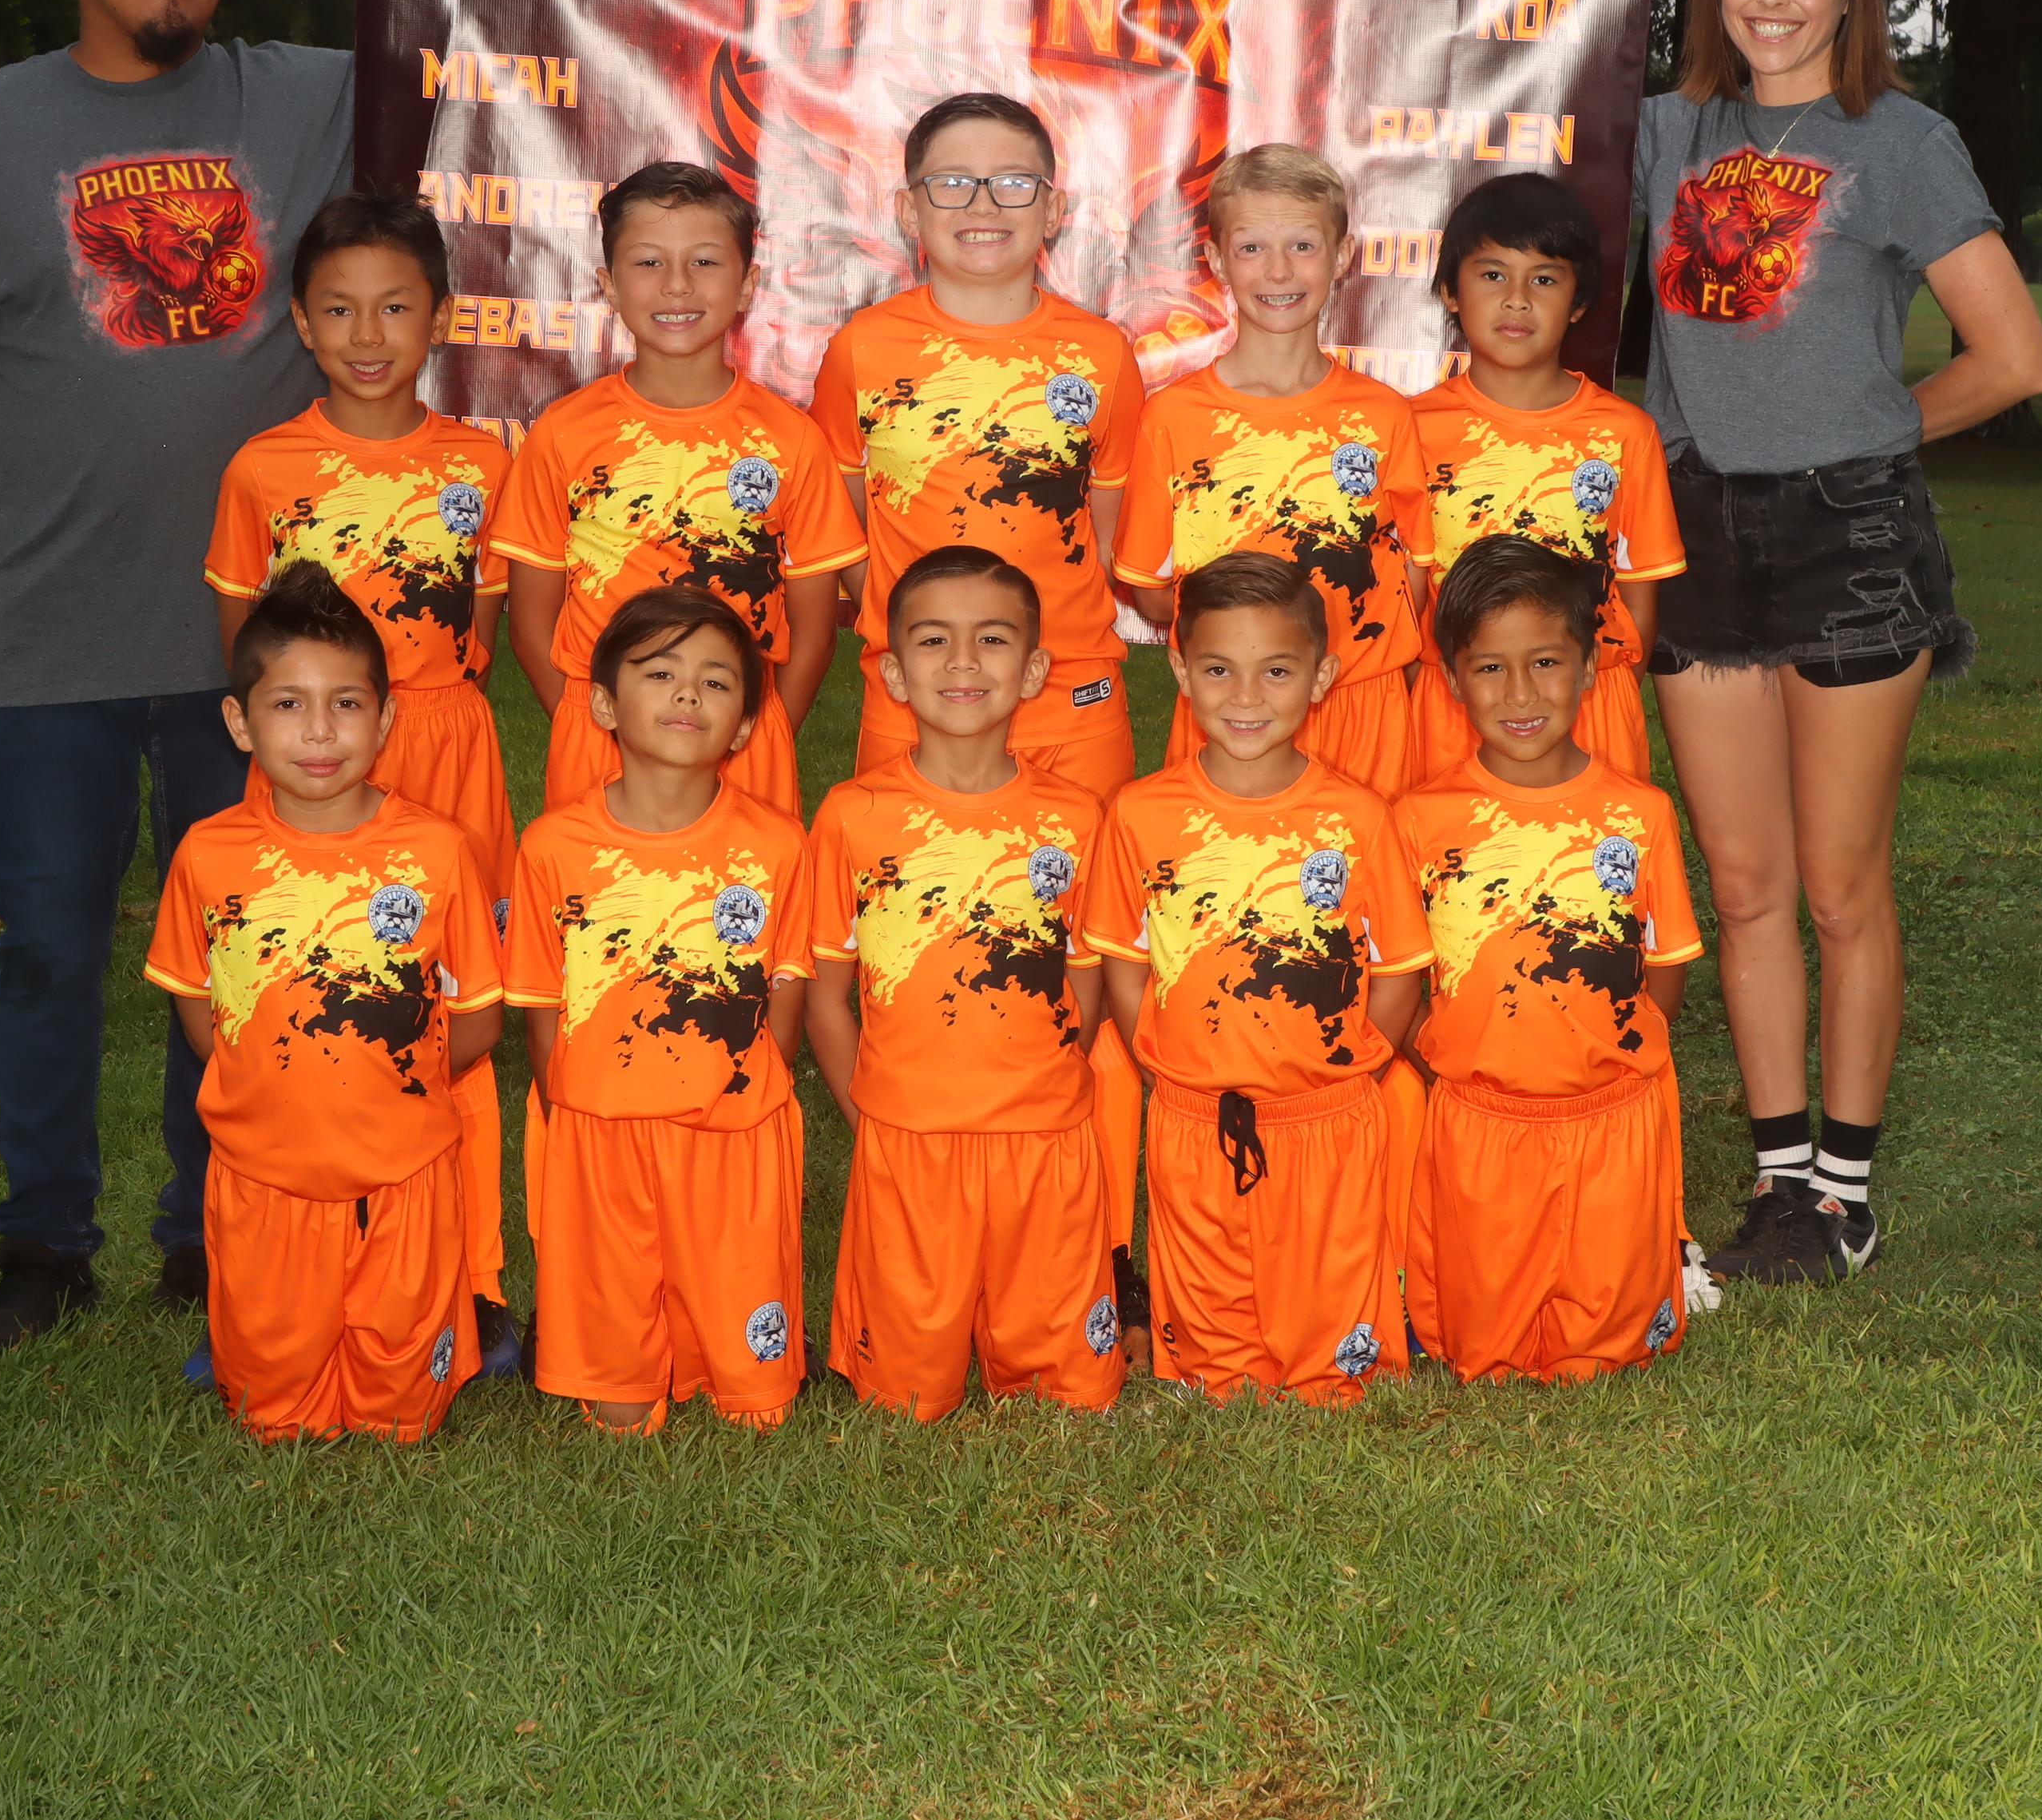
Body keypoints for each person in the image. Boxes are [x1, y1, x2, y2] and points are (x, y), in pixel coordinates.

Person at [0, 0, 450, 1356]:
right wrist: (67, 424)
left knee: (257, 948)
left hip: (259, 648)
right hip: (49, 628)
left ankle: (216, 1231)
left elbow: (457, 34)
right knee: (50, 950)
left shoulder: (302, 98)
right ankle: (43, 1248)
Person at [1588, 0, 2042, 1287]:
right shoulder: (1665, 130)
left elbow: (2015, 360)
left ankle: (1845, 1197)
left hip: (1849, 536)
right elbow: (1531, 88)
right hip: (1695, 532)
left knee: (1842, 886)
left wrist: (1865, 434)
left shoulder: (1901, 141)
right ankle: (1779, 1182)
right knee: (1743, 885)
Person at [200, 186, 521, 1359]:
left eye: (396, 306)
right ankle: (279, 1268)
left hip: (444, 746)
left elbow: (481, 628)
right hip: (314, 761)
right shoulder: (263, 469)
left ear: (440, 317)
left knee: (446, 1002)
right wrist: (308, 733)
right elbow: (246, 650)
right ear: (301, 320)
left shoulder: (480, 463)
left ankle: (464, 1275)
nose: (368, 334)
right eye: (339, 309)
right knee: (308, 989)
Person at [141, 564, 506, 1443]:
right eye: (287, 703)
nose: (318, 729)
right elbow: (202, 1011)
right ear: (239, 722)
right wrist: (272, 1085)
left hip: (404, 1177)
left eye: (346, 703)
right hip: (265, 1179)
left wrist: (390, 1085)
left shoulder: (438, 851)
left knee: (400, 1416)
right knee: (275, 1416)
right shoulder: (206, 856)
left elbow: (481, 1018)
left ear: (384, 720)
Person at [1082, 551, 1432, 1406]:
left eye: (1276, 671)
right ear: (1180, 671)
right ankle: (1215, 1361)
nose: (1246, 696)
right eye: (1218, 670)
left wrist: (1356, 1068)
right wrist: (1160, 1063)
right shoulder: (1139, 814)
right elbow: (1124, 961)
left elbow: (1398, 969)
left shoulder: (1358, 818)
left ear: (1322, 677)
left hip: (1327, 1117)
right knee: (1214, 1363)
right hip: (1194, 1114)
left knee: (1332, 1358)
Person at [796, 545, 1123, 1418]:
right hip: (910, 1141)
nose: (964, 662)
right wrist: (872, 1114)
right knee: (903, 1399)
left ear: (1035, 670)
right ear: (895, 673)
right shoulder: (854, 816)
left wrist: (1049, 1080)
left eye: (993, 639)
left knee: (1069, 1400)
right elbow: (825, 995)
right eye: (935, 640)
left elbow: (1086, 978)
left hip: (1045, 1142)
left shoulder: (1077, 818)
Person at [1392, 538, 1711, 1383]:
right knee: (1484, 1349)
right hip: (1481, 1121)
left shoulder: (1639, 813)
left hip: (1611, 1121)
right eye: (1490, 668)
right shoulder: (1419, 819)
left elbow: (1665, 965)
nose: (1520, 693)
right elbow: (1399, 973)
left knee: (1606, 1347)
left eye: (1545, 661)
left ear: (1590, 667)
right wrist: (1447, 1050)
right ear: (1452, 680)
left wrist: (1607, 1057)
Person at [504, 585, 814, 1433]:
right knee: (619, 1409)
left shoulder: (777, 844)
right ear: (604, 703)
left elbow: (785, 992)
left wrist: (744, 1094)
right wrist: (577, 1108)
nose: (688, 694)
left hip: (733, 1137)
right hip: (601, 1136)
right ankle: (614, 1357)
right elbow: (541, 1003)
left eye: (716, 681)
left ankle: (736, 1351)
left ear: (744, 726)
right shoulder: (553, 845)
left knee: (756, 1405)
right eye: (660, 672)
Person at [490, 162, 861, 819]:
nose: (678, 284)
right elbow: (530, 624)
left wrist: (758, 729)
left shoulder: (791, 440)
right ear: (608, 284)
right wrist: (592, 720)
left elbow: (812, 633)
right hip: (600, 733)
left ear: (747, 285)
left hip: (741, 735)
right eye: (649, 263)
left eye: (705, 262)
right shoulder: (563, 434)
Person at [809, 91, 1146, 799]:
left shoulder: (1102, 355)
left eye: (1014, 182)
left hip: (1071, 698)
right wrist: (902, 617)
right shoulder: (861, 350)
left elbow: (1106, 533)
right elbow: (839, 522)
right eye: (953, 183)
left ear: (1053, 211)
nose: (983, 204)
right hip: (917, 699)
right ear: (909, 211)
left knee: (1084, 875)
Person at [1115, 144, 1431, 797]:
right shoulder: (1173, 417)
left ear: (1342, 255)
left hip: (1360, 703)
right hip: (1232, 708)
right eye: (1252, 248)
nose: (1279, 270)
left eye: (1303, 246)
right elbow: (1152, 590)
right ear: (1216, 260)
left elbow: (1415, 572)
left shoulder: (1384, 416)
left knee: (1363, 859)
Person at [1403, 172, 1680, 784]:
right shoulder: (1410, 430)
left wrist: (1596, 688)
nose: (1517, 299)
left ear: (1579, 302)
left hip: (1588, 704)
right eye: (1493, 274)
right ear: (1450, 290)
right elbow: (1405, 592)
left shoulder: (1624, 433)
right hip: (1450, 706)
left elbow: (1640, 597)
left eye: (1545, 279)